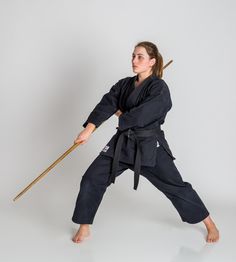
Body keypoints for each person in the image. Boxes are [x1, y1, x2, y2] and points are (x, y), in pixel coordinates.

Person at [71, 41, 220, 244]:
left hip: (148, 146)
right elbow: (107, 102)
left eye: (140, 56)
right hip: (122, 144)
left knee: (176, 186)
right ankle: (84, 226)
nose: (134, 60)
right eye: (133, 56)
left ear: (152, 61)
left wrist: (122, 114)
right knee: (92, 178)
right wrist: (89, 129)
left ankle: (209, 223)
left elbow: (144, 115)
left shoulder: (159, 87)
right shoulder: (124, 84)